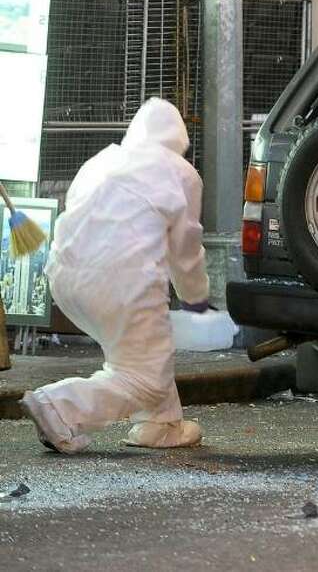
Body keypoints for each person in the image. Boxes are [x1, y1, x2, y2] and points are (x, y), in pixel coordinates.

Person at [20, 98, 210, 453]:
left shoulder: (102, 160)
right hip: (121, 283)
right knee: (146, 378)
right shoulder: (180, 172)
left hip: (65, 277)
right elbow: (184, 250)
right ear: (178, 139)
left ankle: (162, 425)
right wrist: (196, 296)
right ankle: (59, 406)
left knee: (141, 352)